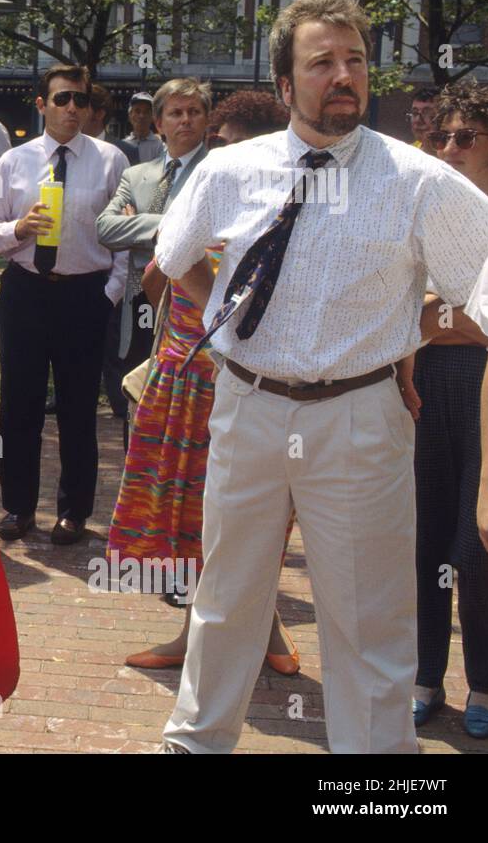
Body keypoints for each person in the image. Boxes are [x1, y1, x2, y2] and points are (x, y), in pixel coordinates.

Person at [155, 0, 488, 755]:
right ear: (284, 86)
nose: (343, 75)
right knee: (225, 596)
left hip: (360, 415)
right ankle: (195, 743)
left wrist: (410, 339)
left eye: (355, 61)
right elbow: (171, 260)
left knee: (367, 614)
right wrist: (230, 326)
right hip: (247, 403)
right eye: (322, 63)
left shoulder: (420, 182)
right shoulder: (228, 169)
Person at [105, 87, 300, 673]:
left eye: (242, 148)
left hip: (248, 381)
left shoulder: (291, 208)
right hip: (185, 374)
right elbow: (158, 270)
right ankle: (207, 633)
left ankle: (256, 631)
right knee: (191, 510)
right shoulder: (214, 195)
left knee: (252, 512)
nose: (229, 159)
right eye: (224, 146)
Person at [0, 63, 128, 546]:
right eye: (63, 99)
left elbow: (124, 238)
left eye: (82, 100)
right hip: (27, 289)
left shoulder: (111, 161)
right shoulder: (14, 161)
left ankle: (74, 512)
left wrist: (110, 293)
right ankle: (18, 507)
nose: (73, 108)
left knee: (78, 408)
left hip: (84, 294)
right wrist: (17, 230)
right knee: (18, 406)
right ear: (42, 104)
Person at [409, 80, 488, 739]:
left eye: (465, 136)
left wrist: (445, 316)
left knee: (477, 546)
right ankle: (423, 672)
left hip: (486, 388)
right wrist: (457, 317)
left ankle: (487, 679)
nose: (450, 148)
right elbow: (412, 312)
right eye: (443, 136)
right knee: (424, 535)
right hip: (426, 381)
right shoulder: (433, 214)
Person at [97, 79, 211, 447]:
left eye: (194, 112)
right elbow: (106, 229)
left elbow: (214, 233)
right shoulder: (137, 175)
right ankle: (140, 483)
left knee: (185, 407)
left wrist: (137, 224)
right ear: (159, 123)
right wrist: (172, 225)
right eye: (176, 113)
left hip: (192, 307)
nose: (186, 120)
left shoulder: (220, 172)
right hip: (140, 301)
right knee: (138, 396)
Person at [121, 92, 163, 163]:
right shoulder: (123, 145)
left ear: (152, 117)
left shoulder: (160, 146)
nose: (142, 116)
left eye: (146, 112)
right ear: (130, 115)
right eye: (137, 111)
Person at [408, 85, 440, 155]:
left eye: (427, 113)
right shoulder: (407, 153)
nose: (418, 120)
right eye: (415, 113)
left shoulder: (452, 157)